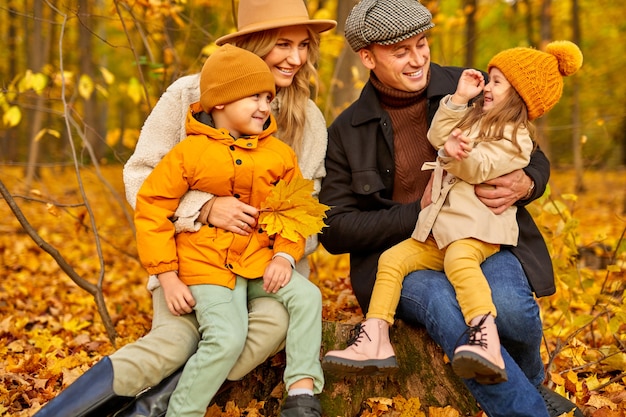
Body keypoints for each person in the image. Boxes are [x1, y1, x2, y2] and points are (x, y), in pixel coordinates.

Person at [33, 1, 336, 416]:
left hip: (265, 269)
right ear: (251, 42)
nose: (296, 58)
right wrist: (205, 208)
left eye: (304, 46)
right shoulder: (190, 95)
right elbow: (141, 178)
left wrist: (277, 245)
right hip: (190, 261)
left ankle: (152, 409)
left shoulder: (309, 120)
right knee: (174, 342)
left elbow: (307, 214)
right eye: (283, 44)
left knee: (266, 328)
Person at [317, 0, 583, 416]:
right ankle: (531, 409)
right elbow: (333, 230)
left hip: (478, 233)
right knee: (448, 308)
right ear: (367, 57)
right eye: (401, 51)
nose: (417, 59)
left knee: (512, 310)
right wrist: (414, 212)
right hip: (408, 254)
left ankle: (529, 385)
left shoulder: (469, 85)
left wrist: (526, 183)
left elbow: (531, 152)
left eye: (422, 44)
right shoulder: (346, 132)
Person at [133, 44, 324, 417]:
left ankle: (302, 392)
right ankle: (182, 411)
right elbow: (151, 207)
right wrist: (167, 277)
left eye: (269, 97)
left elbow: (295, 209)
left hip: (258, 261)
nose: (265, 107)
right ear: (219, 102)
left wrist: (285, 255)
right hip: (206, 265)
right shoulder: (189, 153)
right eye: (254, 96)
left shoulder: (279, 155)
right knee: (227, 337)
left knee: (307, 297)